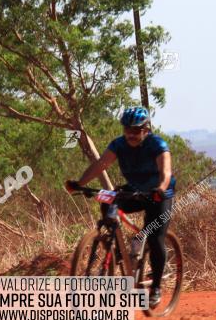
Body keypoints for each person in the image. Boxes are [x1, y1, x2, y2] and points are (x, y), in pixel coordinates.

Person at [65, 106, 175, 307]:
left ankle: (156, 287)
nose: (131, 134)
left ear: (146, 129)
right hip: (133, 190)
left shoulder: (158, 144)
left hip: (158, 195)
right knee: (108, 200)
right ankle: (112, 243)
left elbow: (165, 172)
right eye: (127, 130)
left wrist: (160, 188)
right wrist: (80, 184)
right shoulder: (119, 144)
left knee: (154, 236)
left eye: (136, 130)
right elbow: (101, 165)